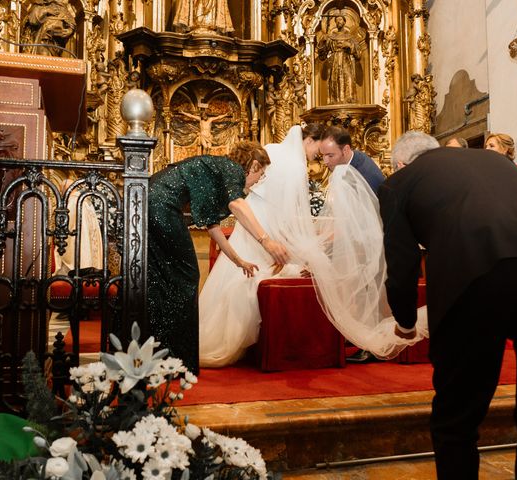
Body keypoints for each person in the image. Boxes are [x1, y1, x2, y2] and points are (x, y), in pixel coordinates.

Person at [379, 130, 517, 479]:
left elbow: (400, 263)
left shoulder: (397, 183)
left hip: (478, 274)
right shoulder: (493, 159)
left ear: (400, 163)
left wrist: (405, 321)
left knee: (456, 415)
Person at [148, 142, 289, 374]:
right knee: (186, 274)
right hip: (163, 204)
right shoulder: (233, 170)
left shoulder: (218, 172)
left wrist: (239, 261)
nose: (257, 181)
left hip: (151, 199)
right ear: (253, 165)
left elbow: (213, 228)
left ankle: (158, 349)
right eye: (260, 175)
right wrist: (266, 240)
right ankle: (175, 355)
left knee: (163, 275)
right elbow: (237, 205)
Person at [199, 124, 321, 367]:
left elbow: (220, 218)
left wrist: (244, 254)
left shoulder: (270, 149)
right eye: (319, 147)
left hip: (253, 218)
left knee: (237, 272)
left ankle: (211, 334)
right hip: (265, 222)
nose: (260, 181)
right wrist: (272, 239)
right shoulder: (293, 165)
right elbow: (247, 204)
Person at [320, 125, 385, 195]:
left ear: (346, 150)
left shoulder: (364, 177)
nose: (325, 161)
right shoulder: (353, 157)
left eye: (330, 155)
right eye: (323, 155)